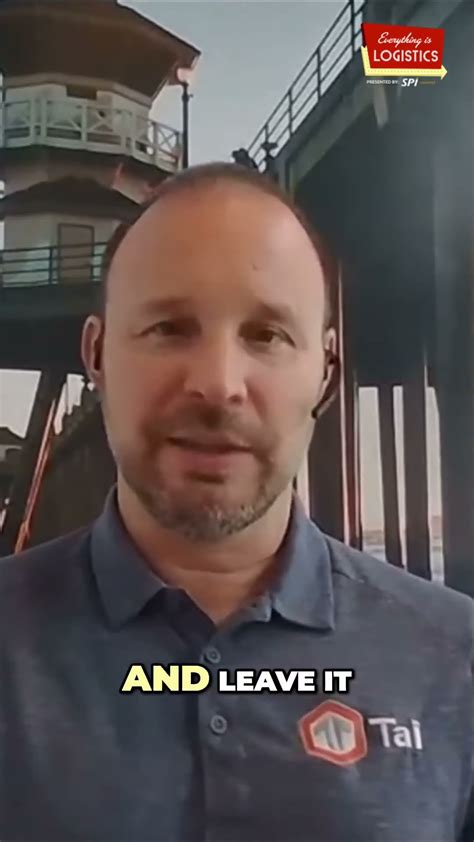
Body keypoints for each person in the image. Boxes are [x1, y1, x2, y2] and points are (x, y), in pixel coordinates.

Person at [0, 161, 472, 842]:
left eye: (267, 335)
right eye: (169, 327)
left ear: (326, 375)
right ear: (97, 357)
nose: (219, 384)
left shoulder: (456, 660)